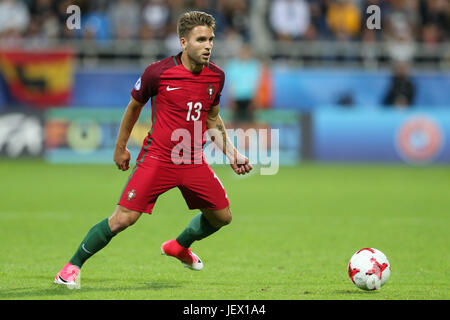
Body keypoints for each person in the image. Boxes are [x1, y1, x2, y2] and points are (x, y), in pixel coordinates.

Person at [54, 10, 252, 289]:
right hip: (158, 158)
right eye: (200, 39)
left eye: (211, 39)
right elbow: (133, 108)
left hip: (193, 160)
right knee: (123, 219)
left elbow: (211, 119)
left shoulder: (216, 77)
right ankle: (71, 266)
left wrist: (232, 154)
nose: (208, 45)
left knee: (222, 217)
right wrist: (120, 147)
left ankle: (179, 246)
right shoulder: (158, 72)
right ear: (183, 42)